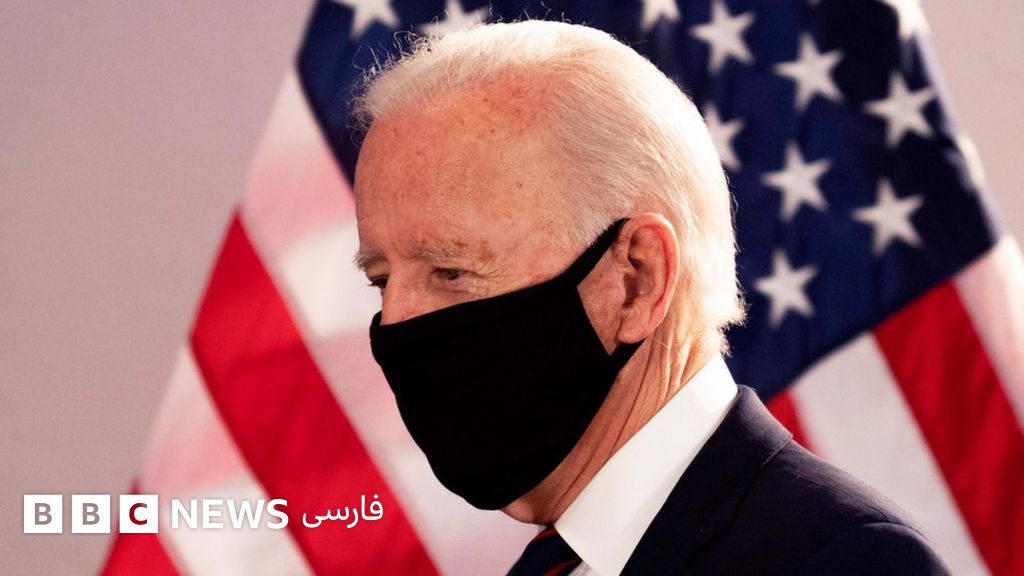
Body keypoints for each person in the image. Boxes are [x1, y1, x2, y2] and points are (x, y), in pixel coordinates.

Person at [350, 19, 949, 576]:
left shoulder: (842, 561)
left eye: (450, 271)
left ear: (636, 278)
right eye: (381, 281)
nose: (396, 323)